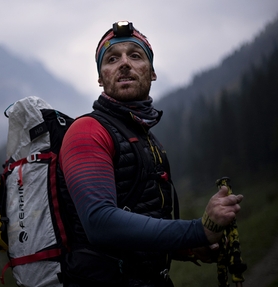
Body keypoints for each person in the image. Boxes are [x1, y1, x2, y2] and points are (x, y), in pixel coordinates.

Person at [58, 21, 243, 287]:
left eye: (135, 55)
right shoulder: (87, 131)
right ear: (100, 77)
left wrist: (190, 247)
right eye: (112, 58)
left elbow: (142, 218)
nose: (124, 63)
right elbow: (99, 223)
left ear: (152, 72)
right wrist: (196, 230)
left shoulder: (144, 136)